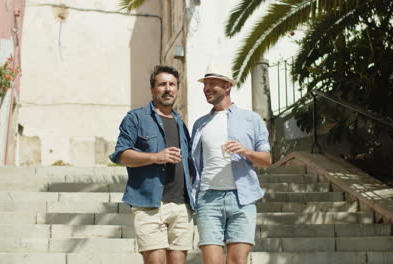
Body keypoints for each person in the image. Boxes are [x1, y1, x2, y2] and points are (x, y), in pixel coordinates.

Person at [109, 65, 194, 264]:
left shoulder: (181, 122)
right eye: (162, 84)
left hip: (182, 205)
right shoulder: (136, 118)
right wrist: (156, 157)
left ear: (177, 89)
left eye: (172, 84)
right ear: (153, 89)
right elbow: (121, 155)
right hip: (149, 204)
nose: (168, 89)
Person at [191, 64, 272, 264]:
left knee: (237, 261)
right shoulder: (200, 123)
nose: (206, 88)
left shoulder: (251, 119)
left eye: (212, 84)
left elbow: (267, 159)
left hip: (242, 199)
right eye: (205, 84)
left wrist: (246, 151)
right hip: (208, 199)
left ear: (227, 86)